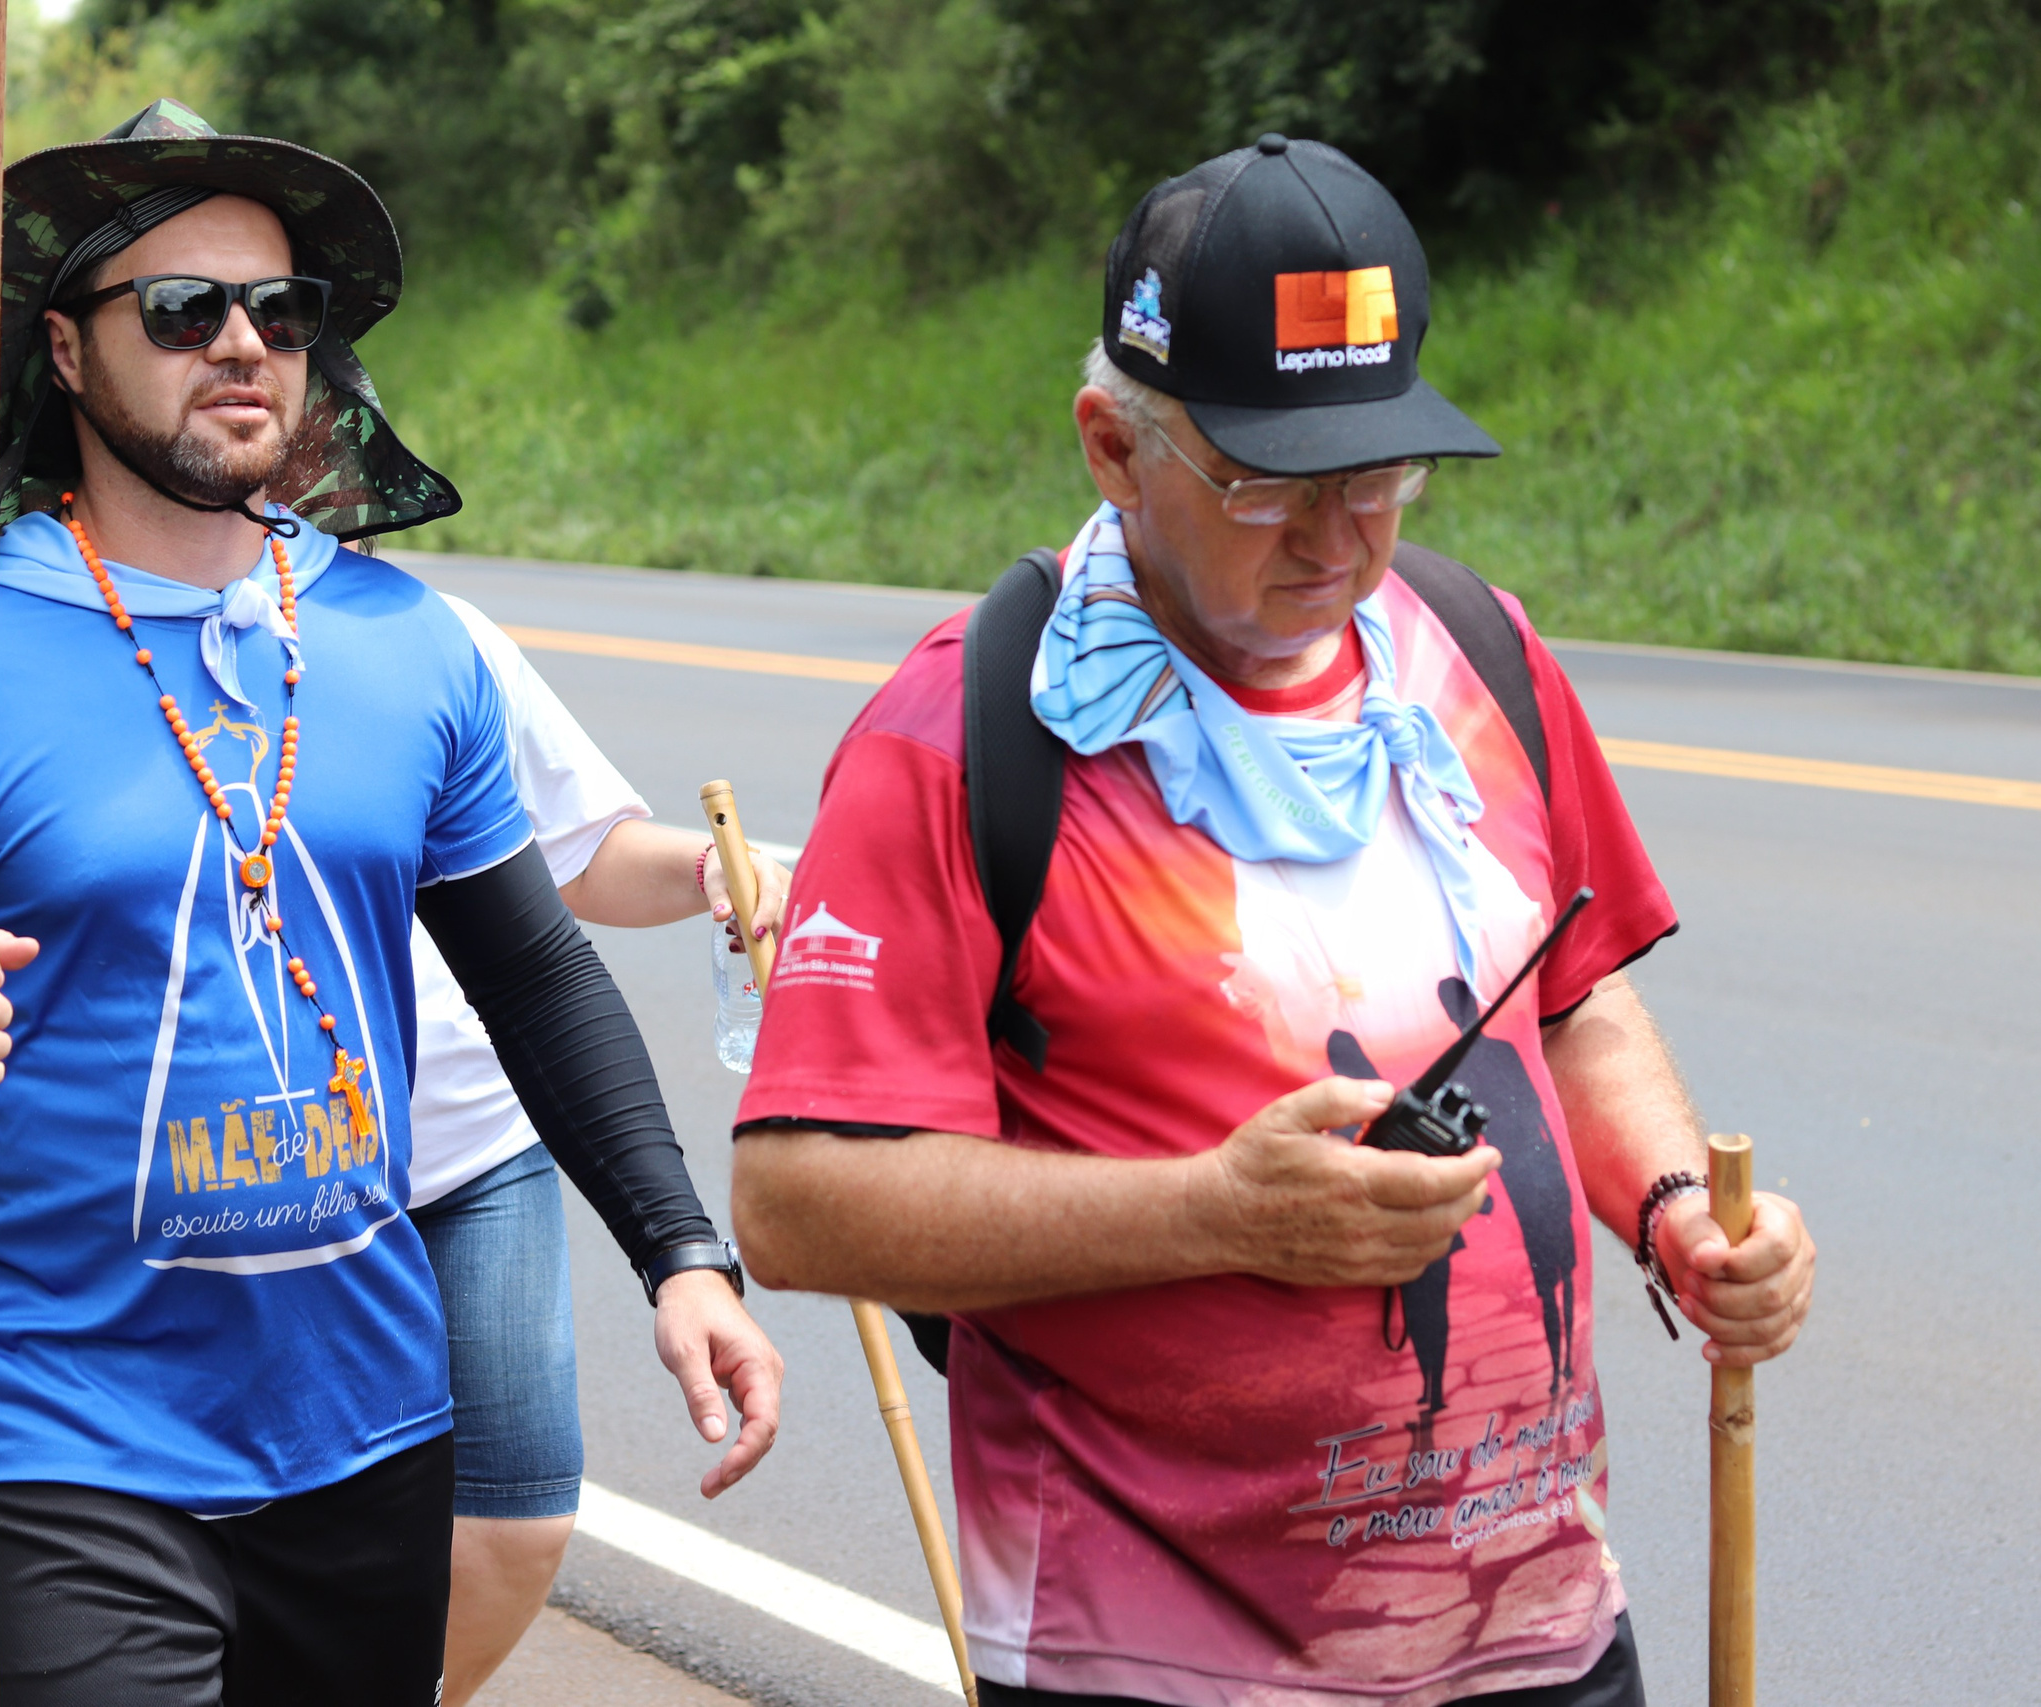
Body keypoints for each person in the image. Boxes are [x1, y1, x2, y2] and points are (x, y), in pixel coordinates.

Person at [729, 136, 1816, 1707]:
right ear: (1114, 445)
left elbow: (1567, 1001)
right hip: (1155, 1655)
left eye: (1378, 476)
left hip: (1538, 1626)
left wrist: (1678, 1216)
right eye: (1266, 483)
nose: (1336, 540)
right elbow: (797, 1200)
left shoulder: (1478, 654)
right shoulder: (964, 735)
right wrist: (1217, 1211)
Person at [0, 100, 778, 1706]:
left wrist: (683, 1253)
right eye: (180, 307)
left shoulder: (409, 645)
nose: (242, 344)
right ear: (63, 350)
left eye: (281, 310)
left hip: (370, 1428)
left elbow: (539, 979)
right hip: (66, 1439)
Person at [400, 594, 790, 1699]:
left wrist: (712, 870)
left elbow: (578, 857)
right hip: (275, 1171)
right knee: (293, 1523)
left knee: (515, 1517)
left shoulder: (440, 637)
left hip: (476, 1142)